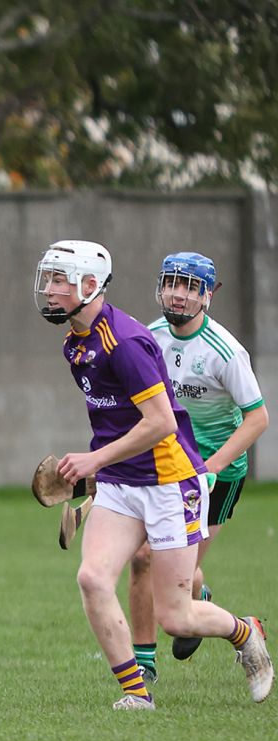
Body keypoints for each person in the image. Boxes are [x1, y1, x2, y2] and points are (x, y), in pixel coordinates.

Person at [34, 239, 271, 710]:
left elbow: (161, 423)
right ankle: (137, 693)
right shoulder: (75, 343)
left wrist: (94, 461)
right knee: (93, 579)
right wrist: (98, 473)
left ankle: (245, 634)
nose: (49, 289)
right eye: (48, 278)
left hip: (170, 484)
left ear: (87, 284)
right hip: (122, 484)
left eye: (58, 280)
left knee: (178, 618)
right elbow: (115, 419)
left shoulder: (125, 342)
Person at [126, 252, 268, 682]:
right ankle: (145, 664)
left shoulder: (225, 351)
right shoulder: (147, 338)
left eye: (190, 286)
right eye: (171, 283)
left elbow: (258, 418)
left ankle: (235, 623)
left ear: (209, 295)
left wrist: (212, 466)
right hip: (168, 466)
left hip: (216, 476)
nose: (178, 294)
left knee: (157, 557)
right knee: (142, 560)